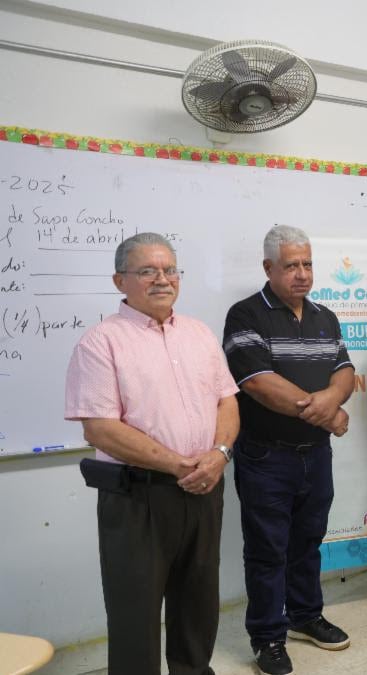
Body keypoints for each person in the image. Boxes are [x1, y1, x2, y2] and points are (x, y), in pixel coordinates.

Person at [65, 232, 239, 675]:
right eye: (147, 271)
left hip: (204, 489)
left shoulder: (199, 334)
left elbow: (227, 400)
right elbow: (100, 428)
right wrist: (176, 463)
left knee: (198, 604)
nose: (162, 279)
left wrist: (218, 453)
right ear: (120, 280)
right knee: (135, 613)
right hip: (138, 498)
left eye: (169, 269)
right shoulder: (101, 343)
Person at [223, 224, 355, 674]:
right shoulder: (245, 316)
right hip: (266, 457)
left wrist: (333, 401)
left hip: (315, 456)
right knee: (267, 550)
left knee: (308, 542)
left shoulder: (325, 316)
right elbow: (259, 385)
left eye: (307, 264)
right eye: (291, 265)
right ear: (268, 268)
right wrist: (326, 412)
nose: (301, 274)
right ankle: (267, 636)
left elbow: (345, 373)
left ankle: (305, 615)